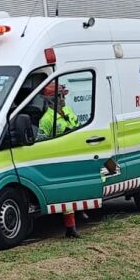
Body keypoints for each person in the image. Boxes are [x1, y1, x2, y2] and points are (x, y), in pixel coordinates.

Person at [39, 82, 82, 238]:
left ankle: (76, 219)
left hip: (74, 153)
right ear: (51, 99)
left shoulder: (68, 110)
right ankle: (70, 228)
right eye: (60, 96)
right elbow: (41, 142)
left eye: (63, 95)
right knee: (66, 195)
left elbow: (78, 126)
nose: (63, 98)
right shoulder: (46, 119)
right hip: (58, 157)